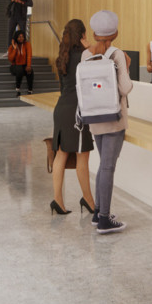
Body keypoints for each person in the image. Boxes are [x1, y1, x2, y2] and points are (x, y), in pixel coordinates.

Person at [83, 10, 133, 234]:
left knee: (103, 165)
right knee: (108, 167)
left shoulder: (86, 55)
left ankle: (97, 212)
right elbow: (125, 88)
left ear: (94, 34)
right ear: (116, 32)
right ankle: (104, 219)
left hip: (94, 117)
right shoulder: (117, 54)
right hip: (114, 119)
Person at [49, 19, 95, 217]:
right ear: (82, 35)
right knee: (82, 156)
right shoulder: (84, 54)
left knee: (61, 154)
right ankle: (89, 201)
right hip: (77, 112)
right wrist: (90, 47)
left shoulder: (62, 56)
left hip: (61, 109)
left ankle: (58, 201)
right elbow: (96, 72)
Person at [8, 29, 34, 95]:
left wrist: (28, 66)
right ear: (16, 38)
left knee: (30, 71)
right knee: (20, 70)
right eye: (19, 37)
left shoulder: (27, 44)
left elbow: (29, 55)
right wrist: (15, 49)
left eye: (22, 37)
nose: (21, 38)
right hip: (15, 66)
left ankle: (30, 90)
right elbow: (10, 59)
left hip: (24, 65)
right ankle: (18, 89)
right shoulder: (11, 47)